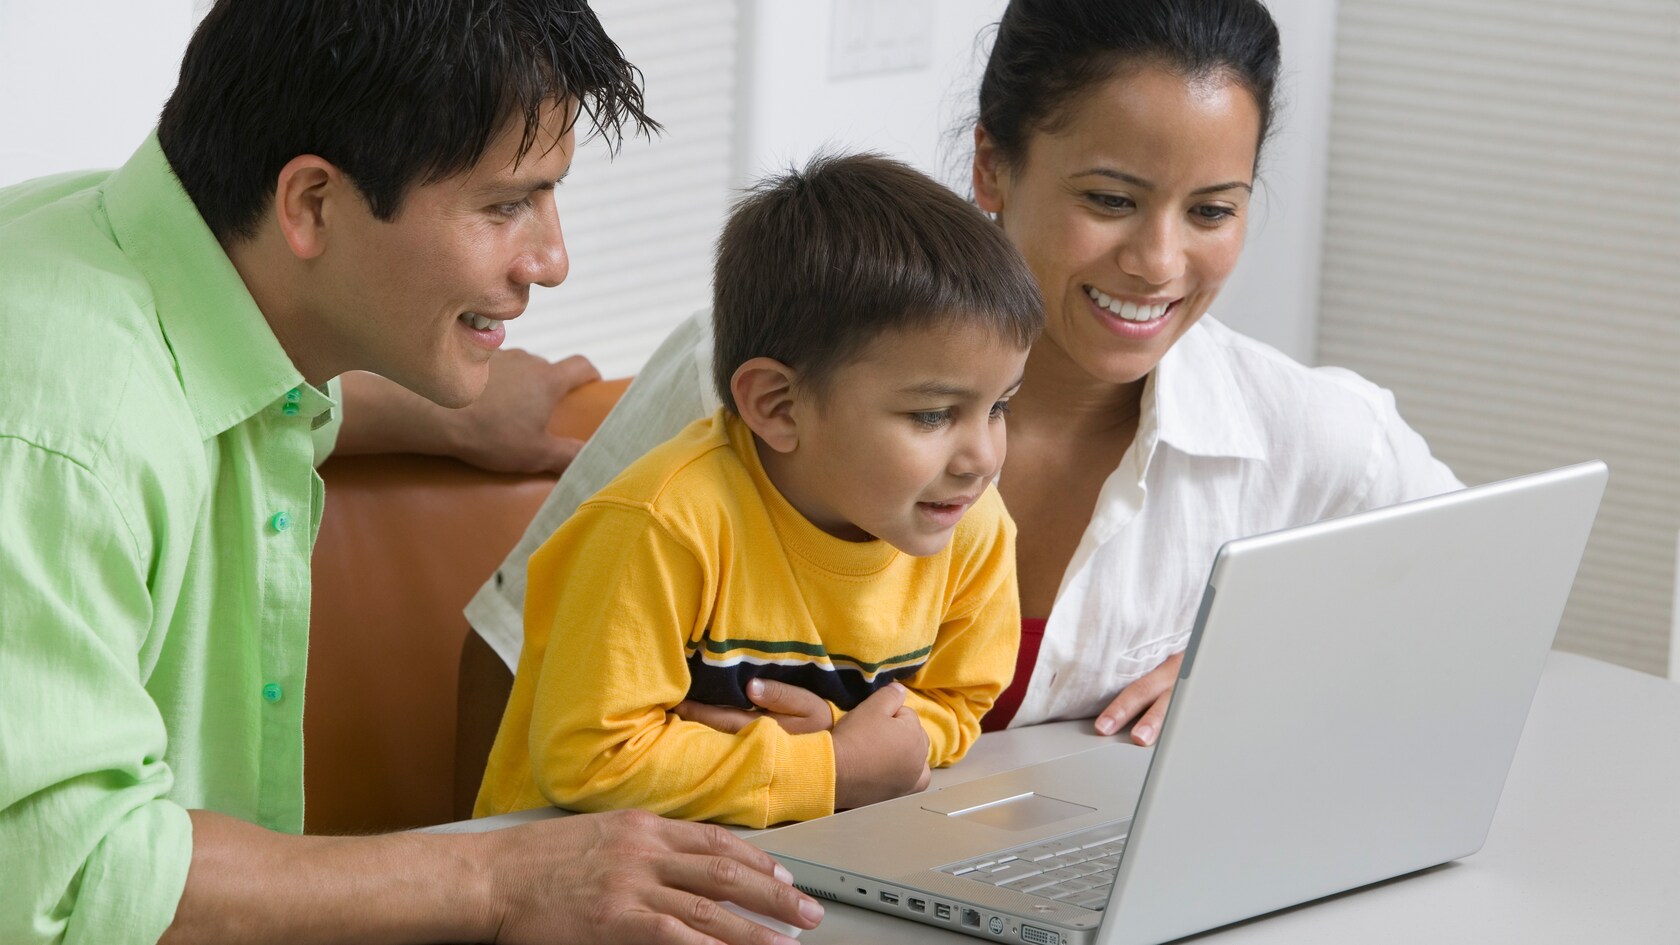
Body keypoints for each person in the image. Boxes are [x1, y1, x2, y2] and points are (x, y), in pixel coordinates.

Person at [0, 1, 823, 943]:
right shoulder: (58, 438)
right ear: (312, 203)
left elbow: (184, 386)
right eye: (507, 203)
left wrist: (432, 414)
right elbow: (60, 879)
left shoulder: (125, 250)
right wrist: (503, 875)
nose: (552, 259)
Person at [464, 0, 1462, 747]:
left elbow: (1482, 610)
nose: (1159, 263)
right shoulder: (766, 373)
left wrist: (1270, 662)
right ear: (992, 167)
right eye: (1111, 200)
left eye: (1212, 211)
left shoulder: (1307, 433)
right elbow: (508, 663)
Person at [475, 154, 1044, 829]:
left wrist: (841, 733)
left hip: (774, 862)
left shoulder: (972, 527)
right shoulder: (663, 524)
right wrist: (832, 766)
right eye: (932, 415)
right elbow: (591, 759)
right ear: (777, 405)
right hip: (565, 884)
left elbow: (956, 703)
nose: (982, 458)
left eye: (999, 407)